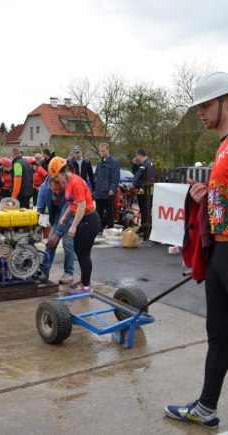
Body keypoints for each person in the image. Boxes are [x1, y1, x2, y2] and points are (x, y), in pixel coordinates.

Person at [164, 72, 228, 429]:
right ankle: (206, 407)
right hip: (219, 251)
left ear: (225, 101)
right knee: (218, 335)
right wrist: (208, 193)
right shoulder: (221, 147)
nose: (201, 113)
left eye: (206, 105)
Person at [48, 157, 101, 294]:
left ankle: (86, 286)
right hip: (84, 219)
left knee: (83, 253)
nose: (57, 180)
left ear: (63, 172)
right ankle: (84, 282)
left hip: (89, 220)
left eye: (57, 176)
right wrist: (65, 217)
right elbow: (72, 204)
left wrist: (73, 226)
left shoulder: (75, 182)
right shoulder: (69, 182)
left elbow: (82, 206)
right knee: (79, 251)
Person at [37, 176, 75, 284]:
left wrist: (58, 234)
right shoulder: (44, 188)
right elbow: (40, 209)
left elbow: (66, 213)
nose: (57, 191)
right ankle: (44, 271)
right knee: (50, 244)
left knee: (67, 243)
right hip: (56, 214)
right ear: (49, 185)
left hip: (69, 212)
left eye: (59, 189)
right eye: (54, 189)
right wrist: (38, 226)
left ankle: (69, 272)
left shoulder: (68, 188)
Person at [94, 143, 120, 230]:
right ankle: (99, 227)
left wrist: (112, 188)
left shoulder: (114, 162)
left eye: (103, 151)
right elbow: (96, 175)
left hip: (108, 191)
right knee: (98, 211)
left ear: (108, 150)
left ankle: (110, 228)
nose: (102, 153)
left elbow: (115, 177)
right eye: (101, 151)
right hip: (99, 191)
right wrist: (94, 188)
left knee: (109, 211)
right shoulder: (99, 162)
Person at [131, 148, 153, 235]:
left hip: (146, 192)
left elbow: (149, 177)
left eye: (136, 155)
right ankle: (143, 227)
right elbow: (136, 173)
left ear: (140, 155)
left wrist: (143, 187)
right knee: (142, 210)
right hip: (140, 191)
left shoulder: (148, 164)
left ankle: (146, 228)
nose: (136, 157)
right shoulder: (142, 164)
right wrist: (134, 164)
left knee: (146, 211)